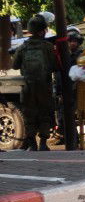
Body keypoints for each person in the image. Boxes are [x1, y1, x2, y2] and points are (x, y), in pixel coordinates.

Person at [12, 15, 56, 151]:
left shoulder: (22, 47)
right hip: (44, 86)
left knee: (29, 114)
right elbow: (54, 65)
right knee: (44, 113)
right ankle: (43, 143)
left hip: (28, 86)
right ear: (43, 31)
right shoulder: (48, 47)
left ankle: (32, 144)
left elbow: (15, 65)